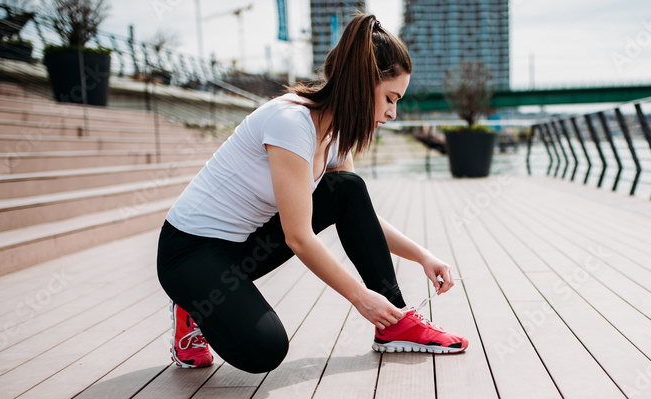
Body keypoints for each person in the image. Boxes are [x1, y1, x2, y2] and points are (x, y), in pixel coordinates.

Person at [156, 14, 467, 372]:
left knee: (347, 189)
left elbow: (360, 214)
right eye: (390, 98)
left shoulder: (337, 136)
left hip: (238, 249)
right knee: (265, 350)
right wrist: (359, 296)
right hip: (189, 252)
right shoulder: (290, 123)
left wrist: (422, 255)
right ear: (363, 83)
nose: (393, 113)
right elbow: (298, 236)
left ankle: (396, 324)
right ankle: (190, 305)